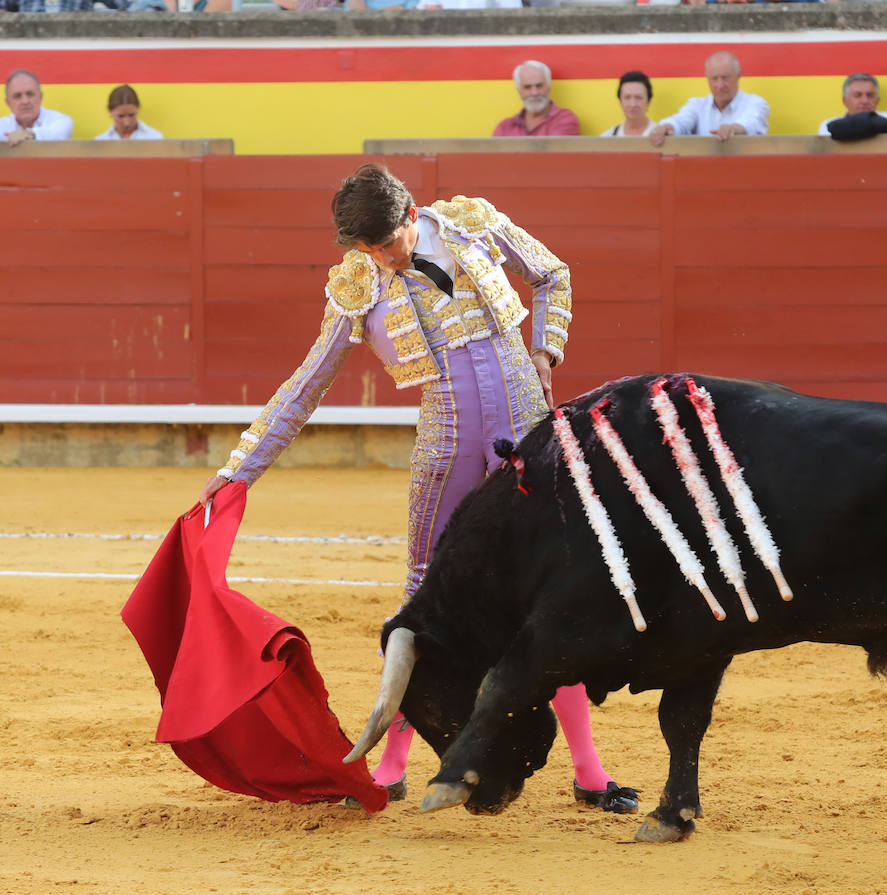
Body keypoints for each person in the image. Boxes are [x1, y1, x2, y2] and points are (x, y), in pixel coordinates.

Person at [196, 163, 637, 815]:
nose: (384, 259)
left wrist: (546, 350)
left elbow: (552, 273)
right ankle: (392, 764)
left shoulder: (472, 222)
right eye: (368, 251)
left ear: (410, 216)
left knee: (554, 584)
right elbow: (306, 384)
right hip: (448, 435)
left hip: (524, 417)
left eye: (389, 244)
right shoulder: (360, 281)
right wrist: (239, 468)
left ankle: (589, 770)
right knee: (423, 594)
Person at [647, 50, 769, 146]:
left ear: (738, 76)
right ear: (707, 78)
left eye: (725, 77)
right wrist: (666, 127)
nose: (720, 85)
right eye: (714, 78)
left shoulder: (756, 103)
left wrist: (733, 129)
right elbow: (681, 121)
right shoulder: (697, 105)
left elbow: (751, 122)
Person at [492, 60, 580, 137]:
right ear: (519, 91)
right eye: (527, 87)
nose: (534, 93)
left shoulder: (565, 119)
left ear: (549, 87)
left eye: (539, 86)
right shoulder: (504, 127)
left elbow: (555, 154)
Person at [2, 69, 74, 147]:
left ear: (40, 97)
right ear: (8, 102)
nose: (25, 101)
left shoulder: (61, 121)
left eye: (30, 94)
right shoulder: (2, 125)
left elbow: (58, 134)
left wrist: (28, 134)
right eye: (17, 96)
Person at [93, 85, 164, 141]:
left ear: (137, 109)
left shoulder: (155, 137)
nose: (127, 123)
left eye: (131, 115)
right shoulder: (100, 141)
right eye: (121, 116)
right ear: (110, 111)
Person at [601, 70, 655, 137]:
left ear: (649, 101)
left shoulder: (665, 137)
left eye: (638, 97)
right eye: (627, 97)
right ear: (620, 101)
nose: (633, 104)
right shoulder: (607, 137)